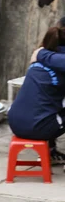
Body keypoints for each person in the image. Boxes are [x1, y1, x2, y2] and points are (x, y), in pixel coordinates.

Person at [8, 26, 65, 164]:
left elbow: (40, 53)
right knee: (51, 111)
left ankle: (50, 152)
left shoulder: (41, 58)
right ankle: (50, 151)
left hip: (14, 123)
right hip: (38, 128)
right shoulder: (56, 61)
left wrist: (40, 53)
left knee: (47, 107)